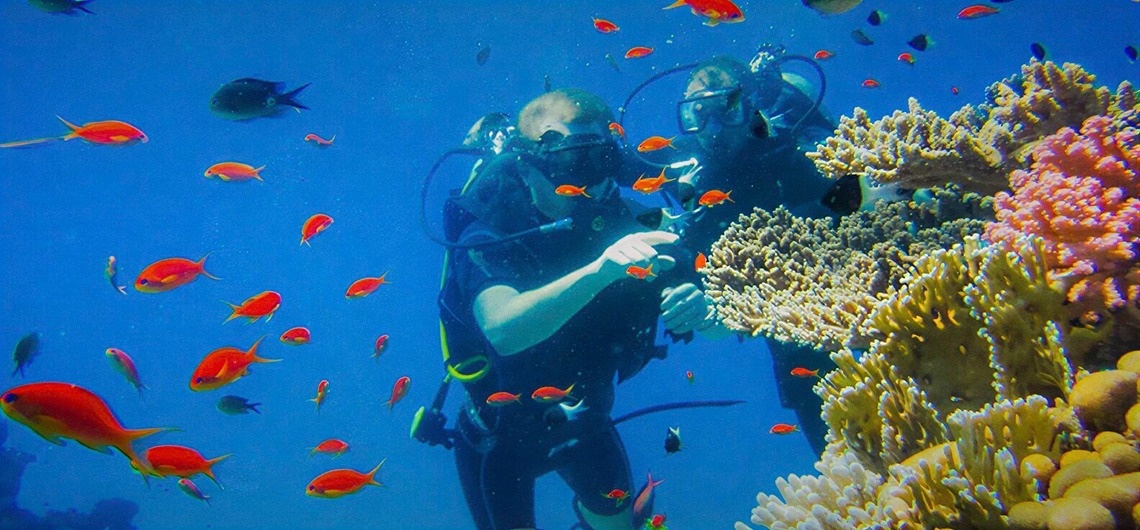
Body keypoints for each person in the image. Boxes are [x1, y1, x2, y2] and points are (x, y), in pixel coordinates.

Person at [437, 88, 727, 530]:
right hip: (497, 437)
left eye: (603, 160)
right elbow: (503, 329)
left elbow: (722, 328)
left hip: (585, 421)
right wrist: (600, 271)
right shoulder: (489, 230)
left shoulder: (632, 227)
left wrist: (706, 312)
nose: (594, 183)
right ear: (527, 164)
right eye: (574, 163)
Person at [667, 50, 838, 456]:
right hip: (787, 330)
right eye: (698, 114)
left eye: (727, 111)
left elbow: (846, 204)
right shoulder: (684, 169)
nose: (712, 128)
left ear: (751, 106)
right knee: (826, 429)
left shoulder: (789, 150)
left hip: (839, 288)